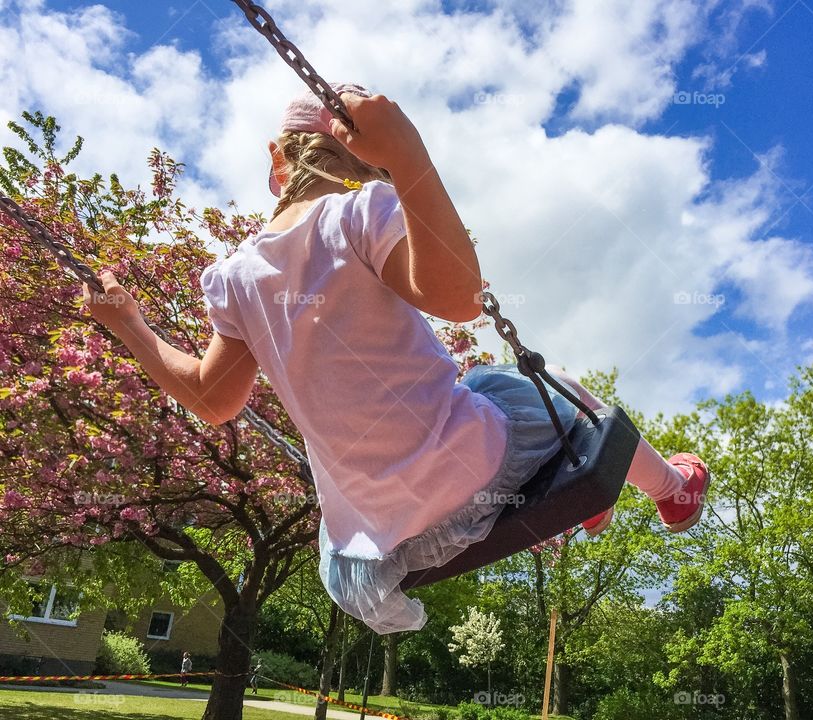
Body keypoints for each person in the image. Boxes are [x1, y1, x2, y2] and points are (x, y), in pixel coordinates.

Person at [82, 83, 710, 635]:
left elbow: (212, 399)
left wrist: (131, 326)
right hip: (473, 466)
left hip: (388, 534)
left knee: (481, 404)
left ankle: (588, 483)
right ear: (371, 165)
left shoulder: (233, 279)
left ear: (276, 163)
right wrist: (408, 153)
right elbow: (459, 299)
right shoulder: (361, 210)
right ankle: (671, 488)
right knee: (542, 389)